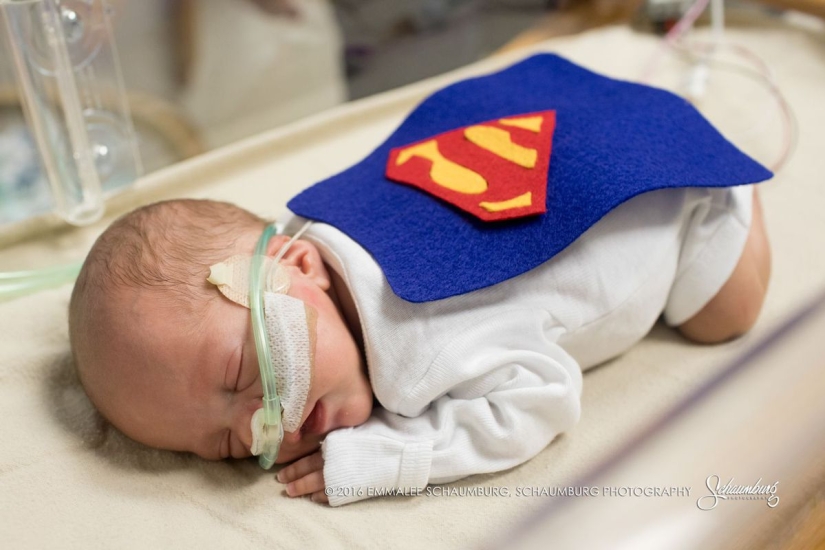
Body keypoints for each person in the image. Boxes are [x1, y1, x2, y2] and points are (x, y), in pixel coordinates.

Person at [68, 178, 770, 506]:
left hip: (669, 205)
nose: (266, 425)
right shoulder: (313, 247)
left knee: (721, 315)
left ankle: (741, 196)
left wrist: (406, 456)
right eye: (229, 445)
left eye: (241, 371)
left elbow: (546, 398)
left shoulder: (421, 345)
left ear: (301, 264)